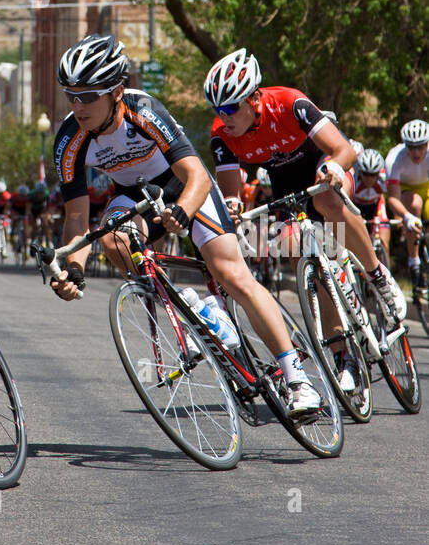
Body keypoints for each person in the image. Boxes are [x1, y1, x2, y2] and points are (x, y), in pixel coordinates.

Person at [49, 34, 323, 419]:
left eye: (89, 95)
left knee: (232, 275)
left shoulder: (144, 110)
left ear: (117, 92)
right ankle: (192, 307)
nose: (78, 106)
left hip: (184, 185)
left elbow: (196, 175)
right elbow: (77, 219)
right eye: (71, 95)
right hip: (134, 193)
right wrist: (74, 269)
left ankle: (298, 381)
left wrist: (181, 212)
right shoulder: (68, 139)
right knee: (113, 240)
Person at [204, 49, 407, 394]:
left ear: (254, 98)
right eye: (217, 109)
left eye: (230, 108)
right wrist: (233, 207)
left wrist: (335, 168)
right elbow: (231, 192)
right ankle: (343, 355)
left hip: (322, 164)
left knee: (326, 200)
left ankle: (377, 275)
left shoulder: (289, 103)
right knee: (298, 253)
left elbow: (344, 150)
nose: (223, 117)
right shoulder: (222, 134)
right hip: (284, 182)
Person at [384, 120, 429, 301]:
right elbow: (392, 198)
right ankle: (414, 262)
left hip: (427, 186)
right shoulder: (394, 158)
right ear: (405, 145)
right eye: (411, 147)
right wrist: (407, 217)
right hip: (406, 189)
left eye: (421, 147)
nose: (416, 153)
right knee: (415, 205)